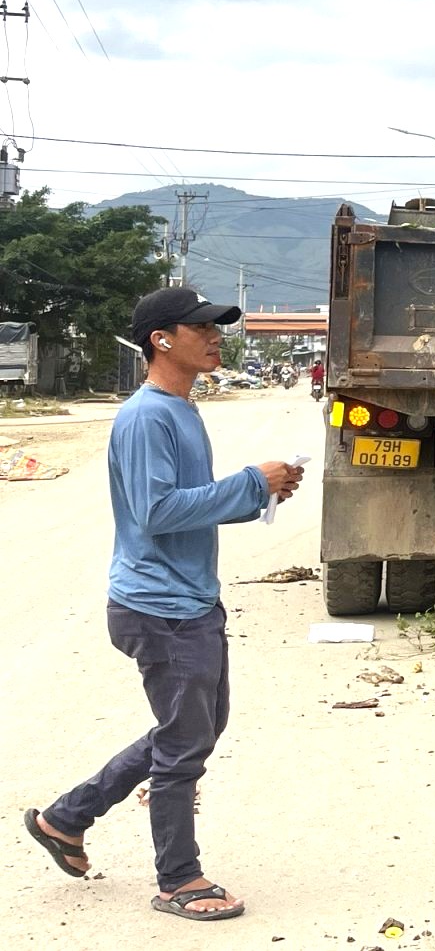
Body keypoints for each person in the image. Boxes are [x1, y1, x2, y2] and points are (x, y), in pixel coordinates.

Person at [23, 286, 302, 923]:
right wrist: (249, 482)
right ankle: (179, 878)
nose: (216, 336)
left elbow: (187, 506)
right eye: (201, 326)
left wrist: (260, 493)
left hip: (188, 600)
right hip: (161, 608)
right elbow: (156, 513)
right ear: (162, 339)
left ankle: (66, 819)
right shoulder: (148, 415)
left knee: (195, 729)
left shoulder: (180, 409)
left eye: (217, 327)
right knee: (184, 745)